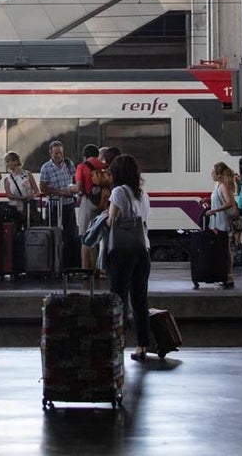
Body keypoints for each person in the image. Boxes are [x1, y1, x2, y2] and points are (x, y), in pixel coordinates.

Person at [104, 154, 152, 362]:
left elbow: (112, 220)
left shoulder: (118, 192)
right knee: (140, 300)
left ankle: (118, 342)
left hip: (123, 252)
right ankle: (142, 346)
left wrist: (104, 218)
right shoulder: (143, 195)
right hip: (143, 249)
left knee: (119, 298)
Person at [39, 140, 80, 269]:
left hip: (68, 204)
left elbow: (75, 180)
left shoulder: (69, 164)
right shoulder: (46, 167)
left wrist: (73, 191)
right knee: (53, 233)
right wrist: (61, 192)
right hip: (54, 205)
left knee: (70, 233)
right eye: (56, 153)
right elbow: (43, 187)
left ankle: (70, 264)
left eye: (60, 153)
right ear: (50, 153)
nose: (59, 156)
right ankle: (52, 263)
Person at [74, 144, 108, 276]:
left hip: (88, 203)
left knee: (85, 236)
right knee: (102, 236)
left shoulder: (82, 166)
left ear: (84, 156)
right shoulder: (105, 166)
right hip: (103, 202)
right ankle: (103, 270)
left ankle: (85, 270)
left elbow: (78, 187)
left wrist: (70, 189)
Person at [205, 161, 238, 289]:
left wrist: (214, 210)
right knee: (222, 250)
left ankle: (228, 277)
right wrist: (208, 201)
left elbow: (230, 203)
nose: (211, 175)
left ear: (219, 174)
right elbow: (221, 201)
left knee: (225, 250)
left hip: (223, 222)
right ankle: (224, 276)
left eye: (213, 173)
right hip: (218, 222)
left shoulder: (223, 186)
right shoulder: (218, 186)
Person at [2, 151, 39, 229]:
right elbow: (9, 195)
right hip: (14, 209)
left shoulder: (28, 174)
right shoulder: (7, 179)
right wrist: (23, 197)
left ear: (15, 161)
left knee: (30, 227)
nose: (6, 164)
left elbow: (36, 191)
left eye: (8, 161)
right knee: (16, 229)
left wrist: (31, 196)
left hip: (28, 207)